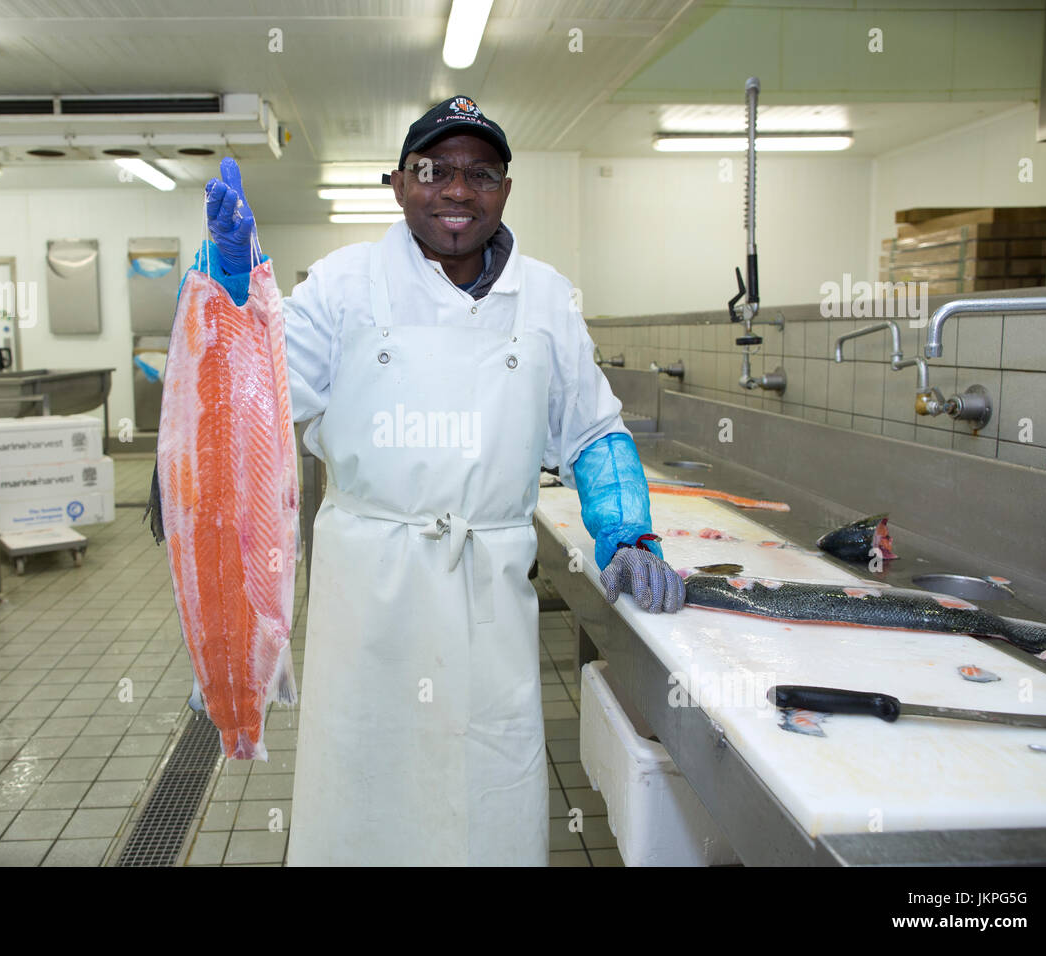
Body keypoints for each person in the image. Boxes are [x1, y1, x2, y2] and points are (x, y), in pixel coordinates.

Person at [167, 95, 684, 866]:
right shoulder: (343, 286)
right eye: (433, 169)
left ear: (505, 190)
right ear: (400, 184)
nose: (456, 189)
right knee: (361, 796)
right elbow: (255, 404)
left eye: (480, 173)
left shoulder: (544, 298)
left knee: (487, 800)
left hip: (489, 598)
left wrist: (626, 529)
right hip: (367, 599)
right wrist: (234, 293)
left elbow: (595, 430)